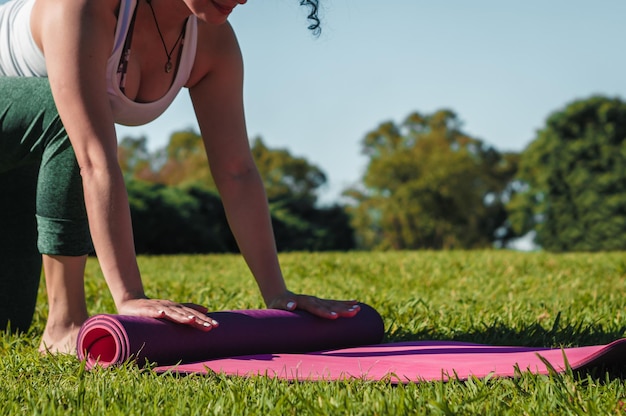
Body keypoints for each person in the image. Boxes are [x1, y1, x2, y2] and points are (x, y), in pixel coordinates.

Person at [0, 0, 360, 354]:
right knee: (67, 121)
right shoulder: (83, 7)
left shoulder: (212, 42)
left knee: (9, 322)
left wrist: (277, 295)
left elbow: (237, 171)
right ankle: (64, 321)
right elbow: (94, 159)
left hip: (18, 159)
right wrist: (130, 298)